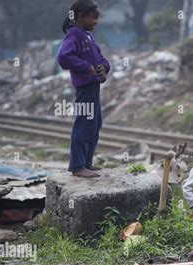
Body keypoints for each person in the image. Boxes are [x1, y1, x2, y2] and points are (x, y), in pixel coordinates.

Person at [57, 0, 110, 178]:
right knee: (84, 124)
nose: (96, 22)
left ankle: (87, 162)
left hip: (93, 87)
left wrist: (104, 67)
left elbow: (101, 58)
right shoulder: (74, 35)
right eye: (94, 18)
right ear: (81, 17)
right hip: (84, 88)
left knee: (95, 124)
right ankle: (78, 166)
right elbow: (64, 57)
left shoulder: (88, 36)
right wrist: (85, 66)